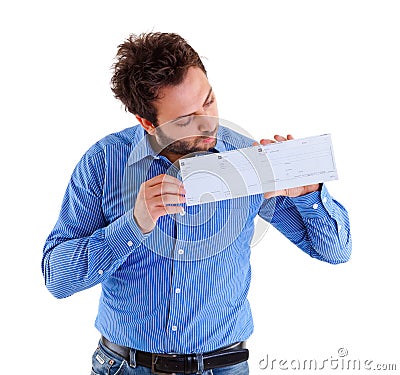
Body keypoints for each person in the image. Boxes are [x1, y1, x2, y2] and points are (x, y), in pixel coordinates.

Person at [42, 32, 352, 375]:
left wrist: (309, 195)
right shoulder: (104, 163)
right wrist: (134, 224)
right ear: (148, 122)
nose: (209, 123)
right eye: (186, 119)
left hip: (223, 366)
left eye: (209, 100)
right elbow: (57, 279)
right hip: (125, 366)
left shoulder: (246, 159)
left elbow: (335, 251)